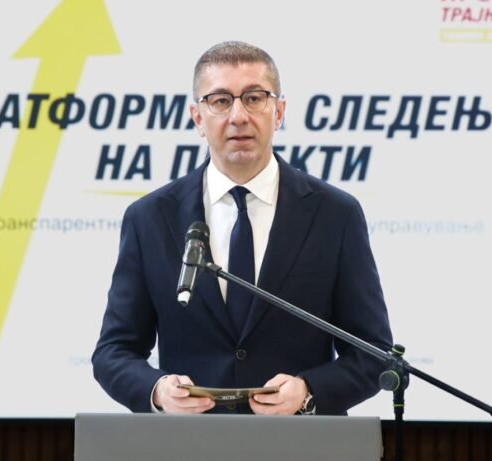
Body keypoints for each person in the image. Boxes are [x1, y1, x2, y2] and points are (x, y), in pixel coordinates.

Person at [92, 41, 392, 415]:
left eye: (254, 98)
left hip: (299, 440)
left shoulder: (335, 214)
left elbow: (373, 353)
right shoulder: (149, 218)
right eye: (220, 101)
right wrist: (157, 391)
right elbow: (113, 352)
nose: (238, 116)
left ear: (279, 112)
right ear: (197, 117)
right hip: (188, 440)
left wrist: (308, 393)